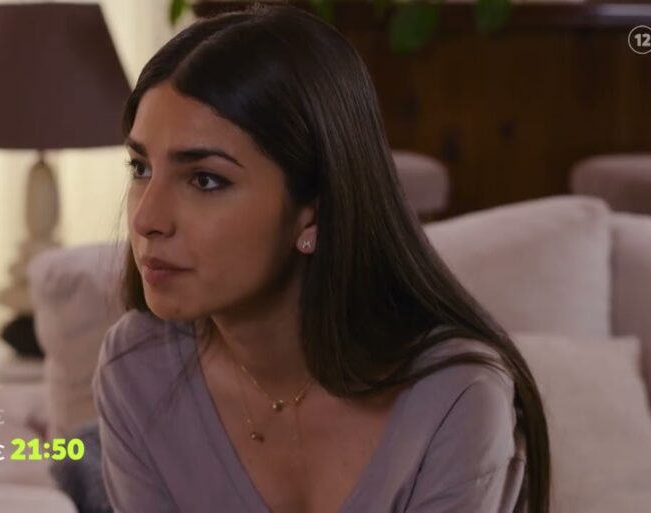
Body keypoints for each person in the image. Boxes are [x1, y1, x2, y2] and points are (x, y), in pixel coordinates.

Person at [92, 4, 550, 513]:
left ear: (313, 211)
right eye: (140, 168)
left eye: (205, 179)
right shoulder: (139, 368)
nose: (146, 219)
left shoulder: (455, 397)